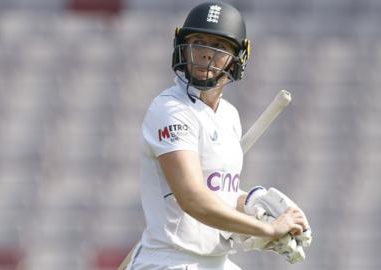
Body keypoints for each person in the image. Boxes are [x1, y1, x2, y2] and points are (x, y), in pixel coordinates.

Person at [130, 2, 307, 269]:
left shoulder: (229, 115)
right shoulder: (170, 110)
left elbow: (217, 193)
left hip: (216, 261)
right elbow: (192, 198)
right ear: (182, 46)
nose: (205, 55)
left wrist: (249, 205)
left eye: (219, 48)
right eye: (198, 43)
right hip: (171, 261)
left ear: (238, 57)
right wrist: (267, 230)